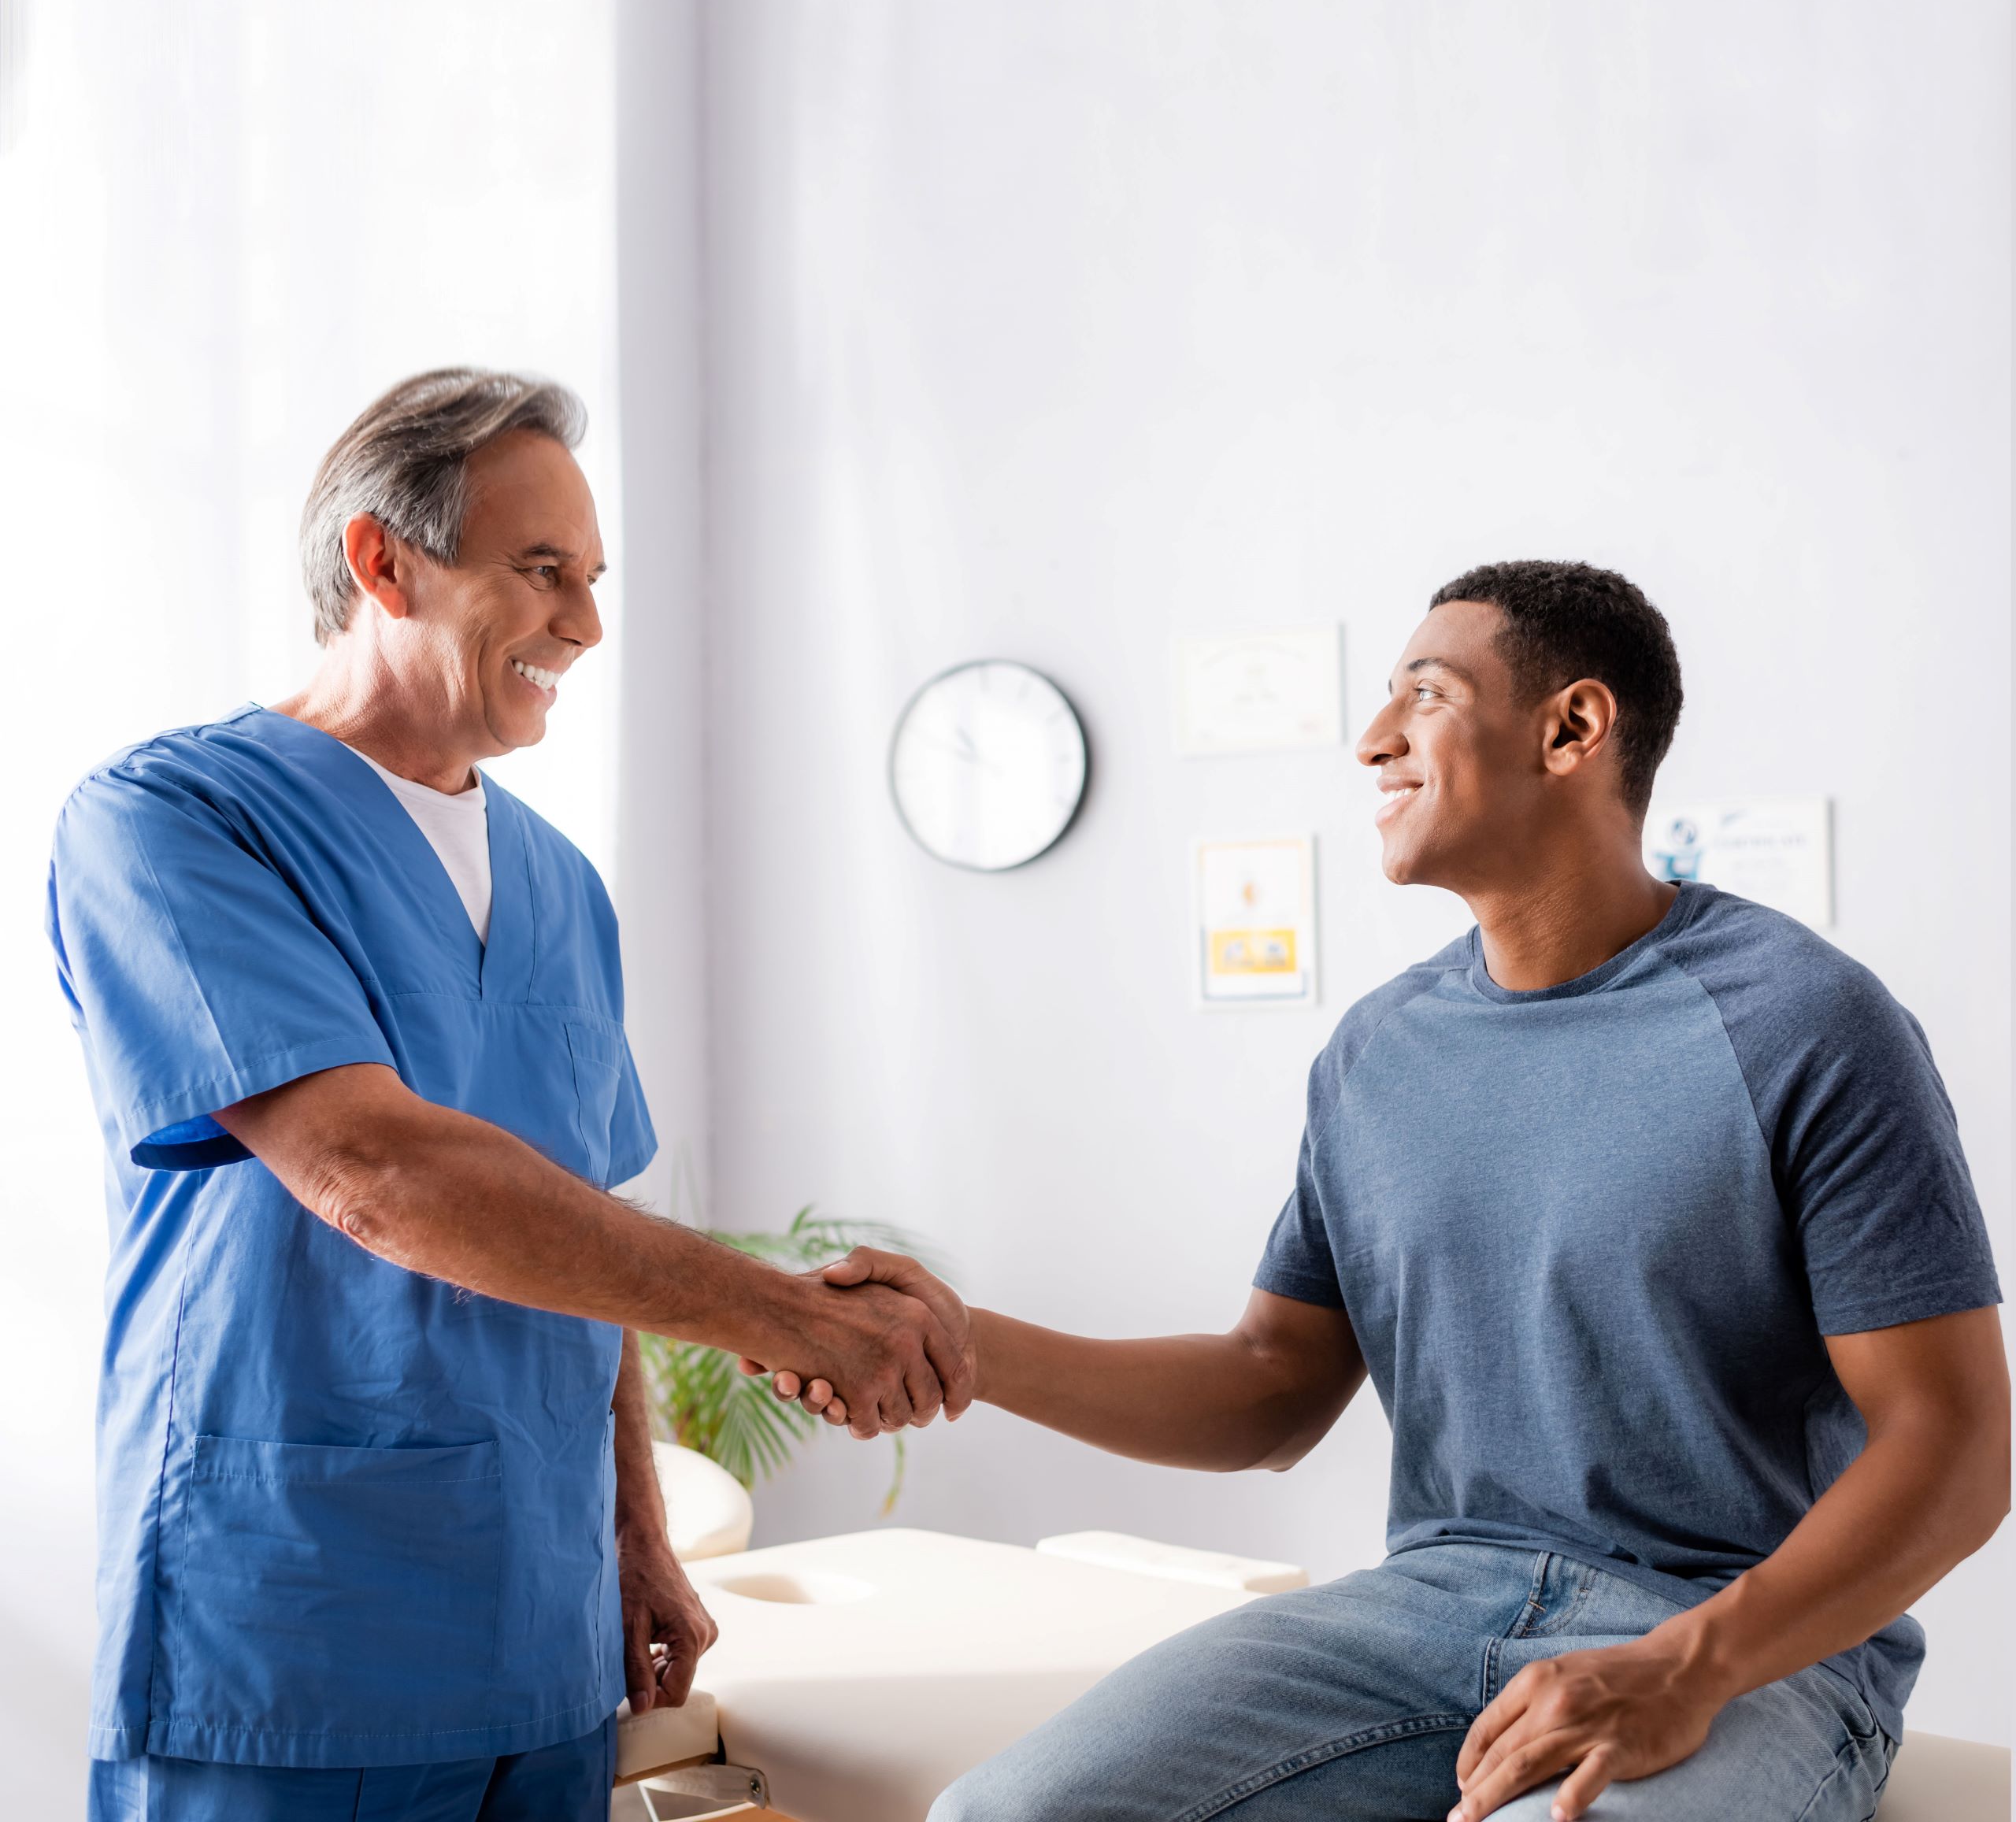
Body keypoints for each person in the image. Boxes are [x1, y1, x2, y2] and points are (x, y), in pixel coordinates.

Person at [753, 561, 2008, 1822]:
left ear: (1571, 729)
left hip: (1745, 1645)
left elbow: (1954, 1451)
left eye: (1425, 694)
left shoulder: (1806, 1022)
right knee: (1005, 1816)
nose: (1370, 742)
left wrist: (1688, 1665)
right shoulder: (1378, 1052)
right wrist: (959, 1344)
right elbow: (1268, 1387)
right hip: (1426, 1612)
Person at [49, 369, 973, 1822]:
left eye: (594, 582)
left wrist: (635, 1528)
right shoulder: (175, 820)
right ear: (382, 562)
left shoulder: (561, 887)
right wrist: (789, 1316)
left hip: (543, 1635)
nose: (586, 626)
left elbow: (580, 1220)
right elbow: (378, 1170)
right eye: (543, 573)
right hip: (290, 1623)